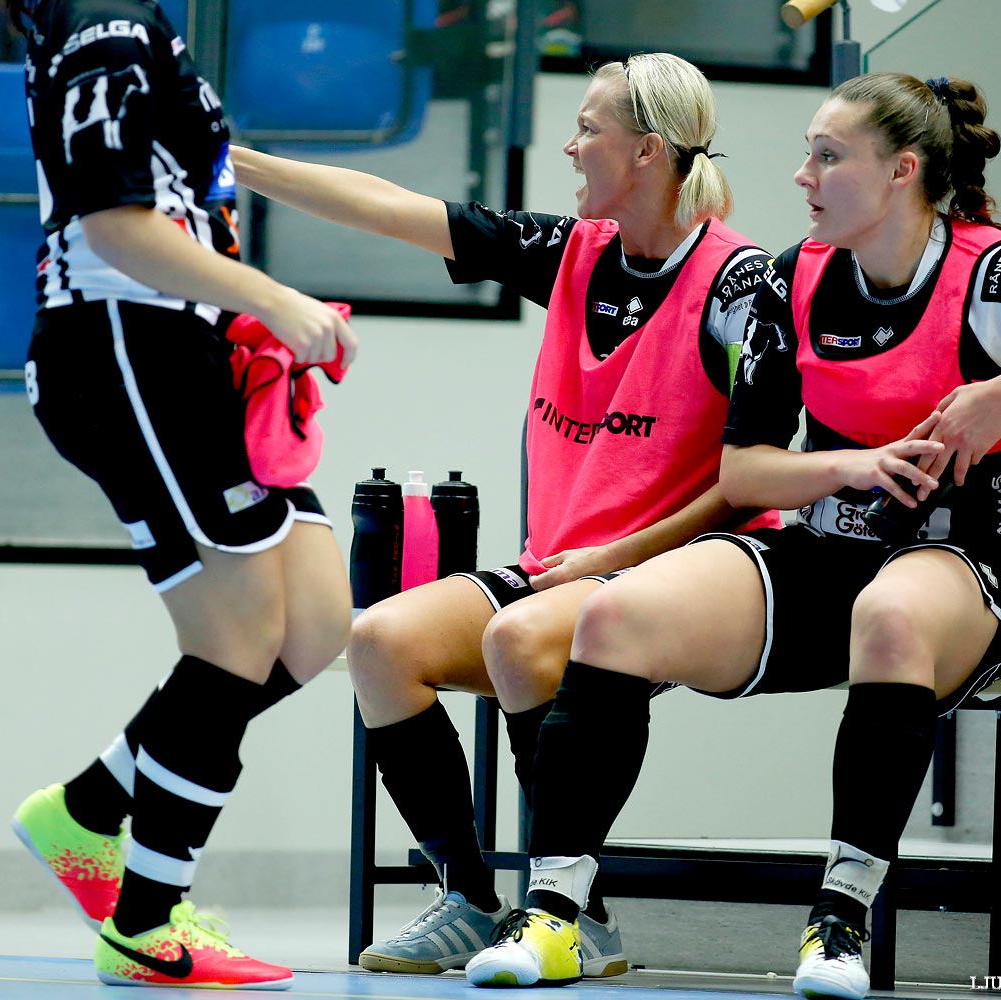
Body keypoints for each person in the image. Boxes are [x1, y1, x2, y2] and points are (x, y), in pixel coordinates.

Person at [462, 72, 1001, 993]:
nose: (801, 174)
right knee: (614, 616)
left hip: (974, 562)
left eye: (826, 155)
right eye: (807, 153)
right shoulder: (791, 279)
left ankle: (838, 923)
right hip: (830, 550)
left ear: (902, 171)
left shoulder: (1000, 274)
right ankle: (557, 915)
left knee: (890, 613)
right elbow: (747, 474)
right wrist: (850, 465)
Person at [229, 52, 779, 977]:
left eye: (588, 130)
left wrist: (616, 551)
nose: (568, 147)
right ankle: (470, 897)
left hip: (680, 573)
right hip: (559, 567)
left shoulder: (740, 286)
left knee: (519, 642)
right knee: (378, 642)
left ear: (646, 151)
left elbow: (757, 477)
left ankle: (572, 907)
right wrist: (232, 160)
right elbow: (386, 205)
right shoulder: (570, 251)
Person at [3, 0, 358, 989]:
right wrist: (273, 299)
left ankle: (87, 808)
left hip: (186, 349)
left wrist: (245, 311)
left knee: (314, 622)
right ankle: (146, 922)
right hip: (123, 348)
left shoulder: (139, 25)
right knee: (237, 638)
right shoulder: (104, 25)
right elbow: (116, 224)